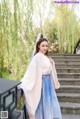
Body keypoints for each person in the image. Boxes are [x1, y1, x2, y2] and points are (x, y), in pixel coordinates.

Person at [18, 34, 62, 119]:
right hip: (41, 85)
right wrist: (24, 82)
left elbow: (49, 70)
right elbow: (30, 71)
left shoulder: (45, 57)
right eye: (43, 46)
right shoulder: (37, 57)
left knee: (47, 104)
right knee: (41, 105)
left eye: (46, 46)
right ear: (38, 46)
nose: (45, 48)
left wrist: (52, 63)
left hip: (47, 84)